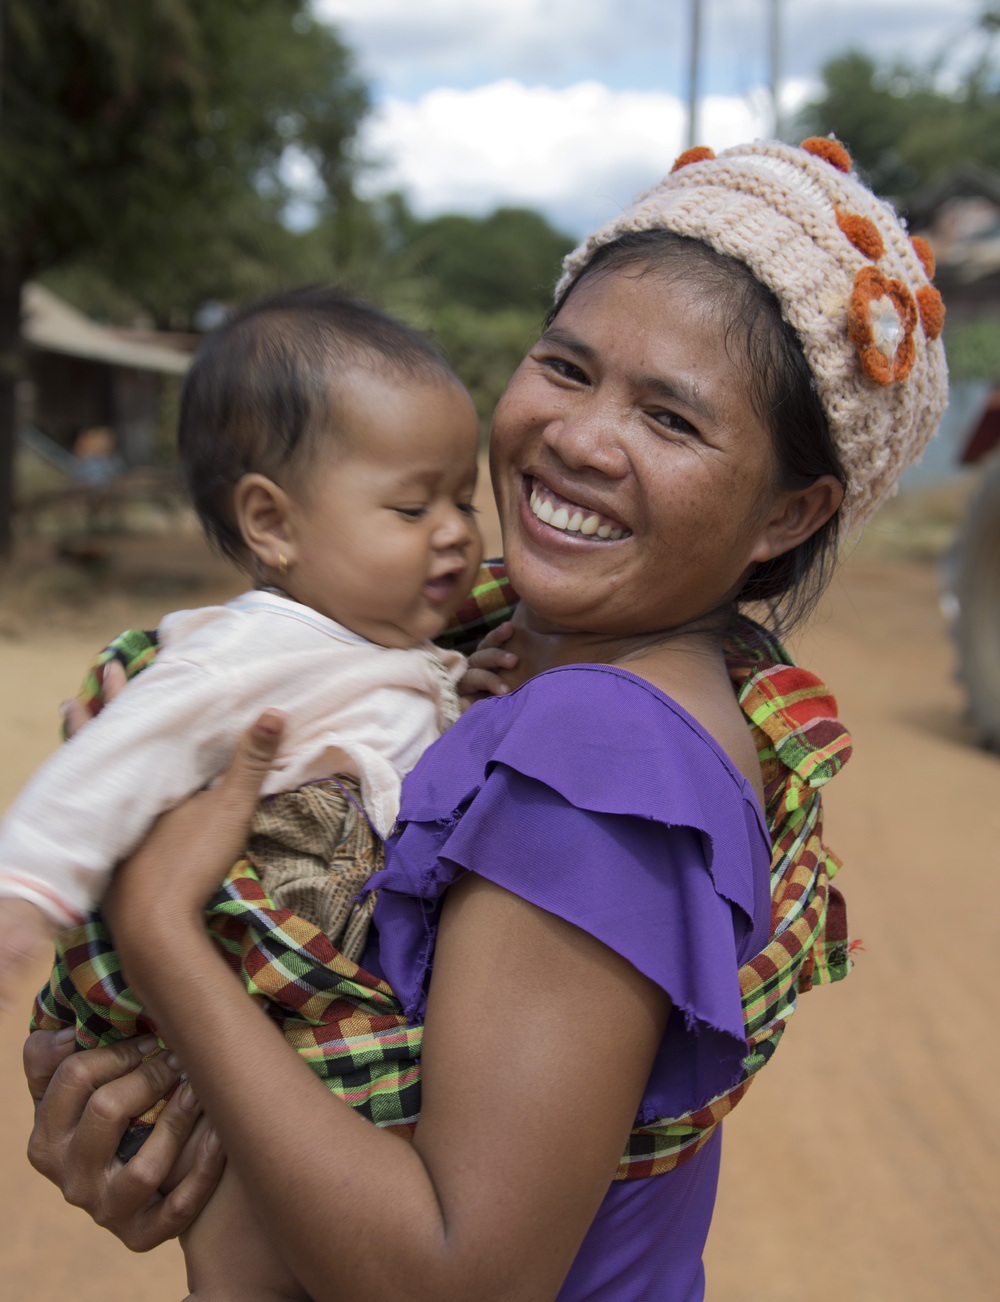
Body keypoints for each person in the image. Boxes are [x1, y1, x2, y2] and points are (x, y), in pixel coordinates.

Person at [22, 138, 947, 1301]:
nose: (578, 437)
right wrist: (177, 1145)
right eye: (565, 367)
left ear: (787, 513)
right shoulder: (525, 666)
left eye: (670, 419)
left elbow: (455, 1274)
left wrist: (158, 931)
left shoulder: (593, 753)